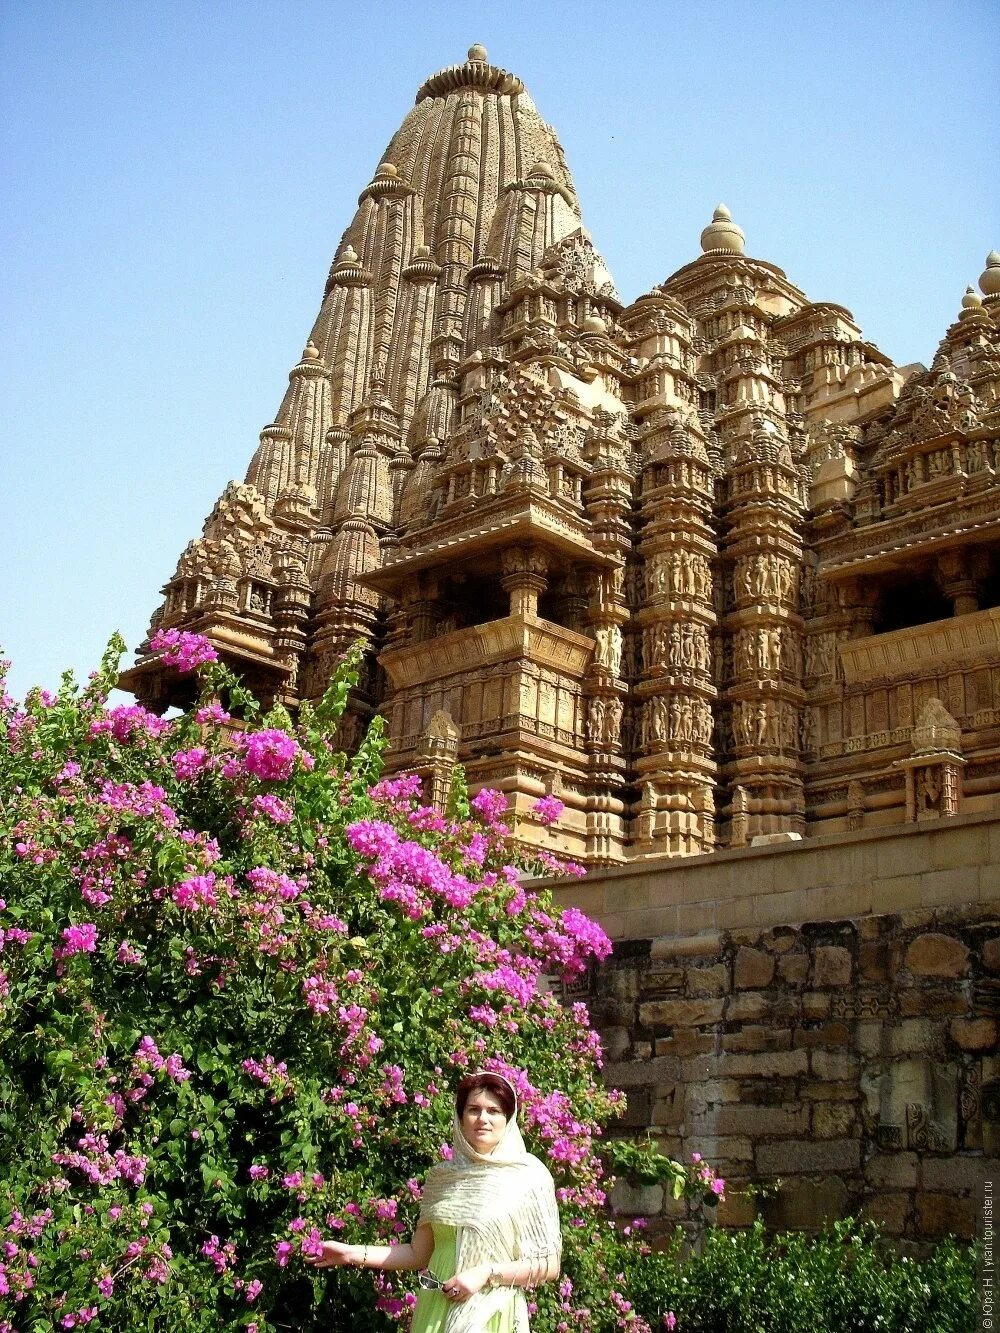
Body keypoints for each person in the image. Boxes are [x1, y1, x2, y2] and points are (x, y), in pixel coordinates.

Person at [306, 1070, 562, 1331]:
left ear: (508, 1119)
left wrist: (485, 1274)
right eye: (473, 1109)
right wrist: (351, 1253)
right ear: (460, 1118)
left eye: (493, 1111)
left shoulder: (529, 1176)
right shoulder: (443, 1178)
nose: (482, 1119)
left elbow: (548, 1265)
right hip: (436, 1311)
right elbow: (419, 1254)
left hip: (490, 1314)